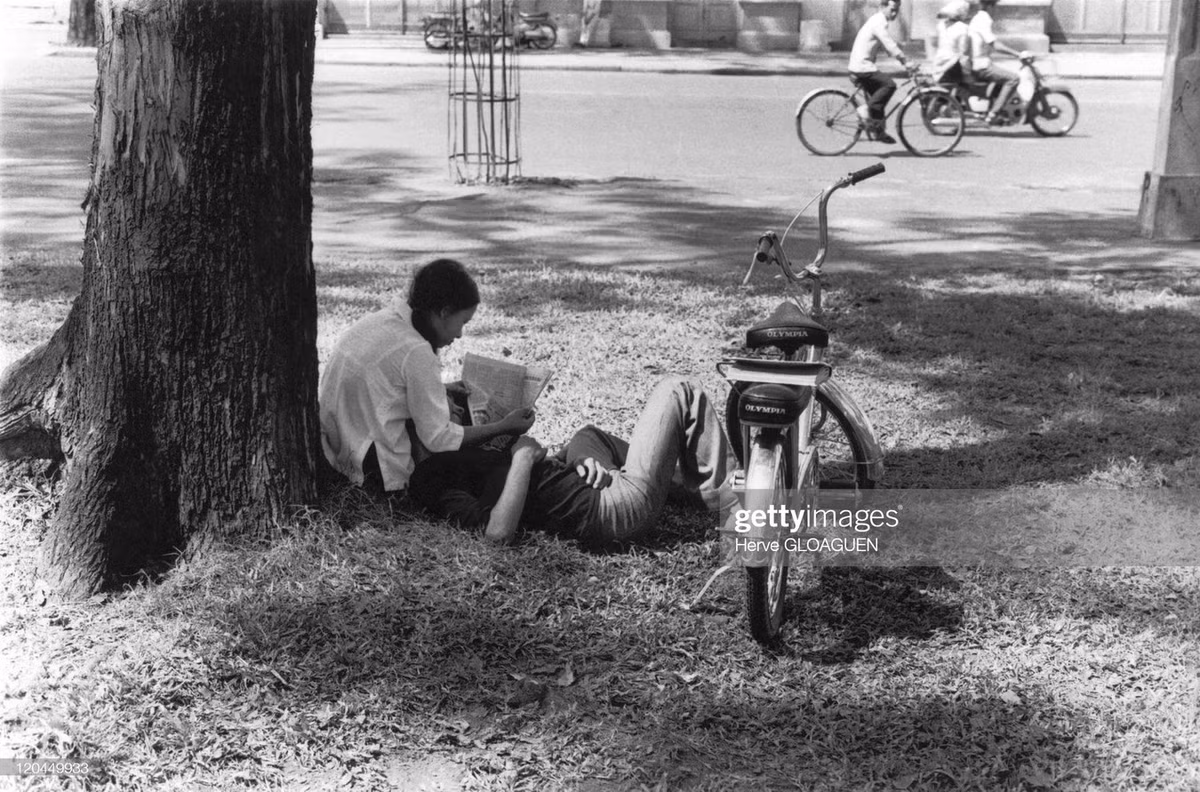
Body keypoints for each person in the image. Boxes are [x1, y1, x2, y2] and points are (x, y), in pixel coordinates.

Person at [409, 377, 739, 546]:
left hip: (599, 486)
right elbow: (497, 534)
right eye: (445, 404)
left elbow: (542, 484)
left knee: (588, 435)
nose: (454, 406)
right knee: (678, 389)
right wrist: (522, 457)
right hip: (611, 510)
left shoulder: (455, 458)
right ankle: (736, 497)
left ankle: (706, 490)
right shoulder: (433, 476)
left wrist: (581, 458)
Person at [319, 258, 535, 495]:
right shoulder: (417, 350)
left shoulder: (386, 319)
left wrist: (442, 388)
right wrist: (502, 427)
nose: (461, 334)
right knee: (477, 461)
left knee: (458, 408)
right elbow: (438, 438)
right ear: (443, 312)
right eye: (462, 322)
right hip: (375, 469)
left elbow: (389, 384)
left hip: (339, 447)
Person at [847, 0, 913, 146]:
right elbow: (888, 43)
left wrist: (899, 54)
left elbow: (885, 45)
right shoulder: (878, 22)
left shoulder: (878, 21)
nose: (894, 13)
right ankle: (865, 110)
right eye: (892, 9)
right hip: (862, 67)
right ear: (882, 7)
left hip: (861, 65)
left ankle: (878, 131)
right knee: (889, 85)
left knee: (879, 96)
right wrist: (905, 61)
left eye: (897, 10)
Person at [969, 0, 1023, 124]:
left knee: (1002, 75)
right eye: (995, 6)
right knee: (1013, 78)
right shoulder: (984, 20)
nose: (996, 10)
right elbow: (994, 44)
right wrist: (1017, 54)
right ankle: (994, 113)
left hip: (979, 62)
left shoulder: (977, 18)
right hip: (981, 66)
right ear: (990, 6)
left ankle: (996, 108)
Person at [931, 0, 971, 85]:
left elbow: (936, 44)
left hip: (938, 64)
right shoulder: (963, 28)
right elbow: (963, 53)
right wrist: (967, 72)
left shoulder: (941, 25)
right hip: (952, 67)